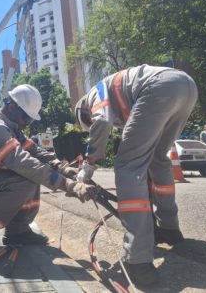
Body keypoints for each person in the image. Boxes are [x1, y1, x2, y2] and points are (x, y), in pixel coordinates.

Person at [0, 84, 97, 257]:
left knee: (31, 174)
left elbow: (35, 152)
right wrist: (69, 186)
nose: (28, 123)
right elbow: (24, 163)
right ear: (12, 107)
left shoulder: (11, 127)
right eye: (26, 118)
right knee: (26, 175)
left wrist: (63, 169)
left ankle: (17, 231)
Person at [75, 64, 198, 286]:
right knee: (158, 159)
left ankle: (137, 258)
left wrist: (89, 164)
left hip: (159, 88)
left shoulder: (95, 93)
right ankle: (169, 229)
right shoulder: (119, 96)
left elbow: (101, 122)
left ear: (83, 110)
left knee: (127, 165)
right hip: (186, 87)